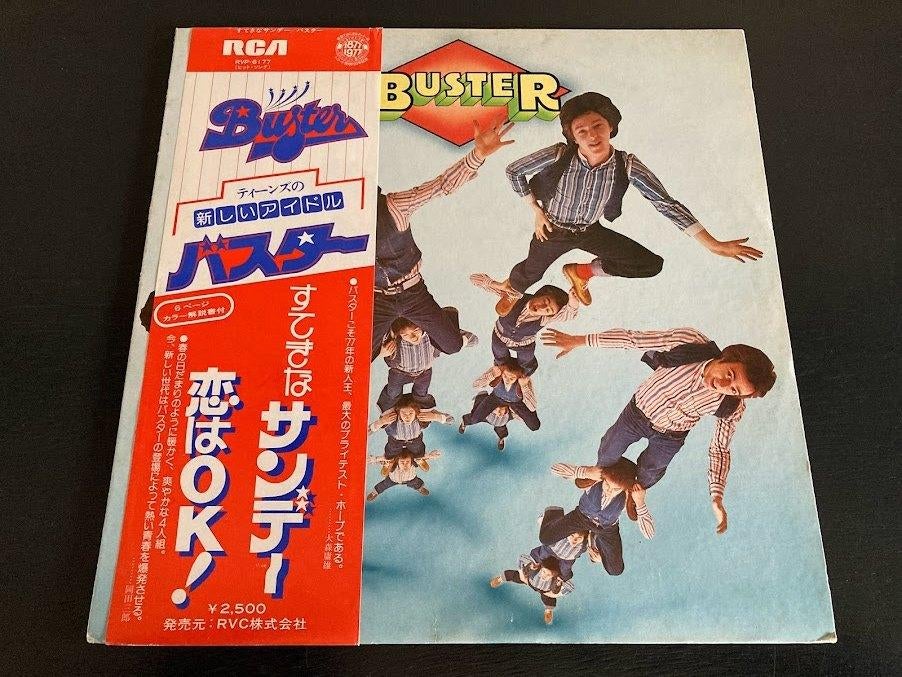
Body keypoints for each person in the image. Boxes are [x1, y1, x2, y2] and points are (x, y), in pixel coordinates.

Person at [491, 91, 763, 313]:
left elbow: (665, 203)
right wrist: (536, 210)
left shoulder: (627, 165)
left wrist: (712, 243)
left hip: (590, 230)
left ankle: (582, 272)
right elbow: (514, 171)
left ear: (611, 127)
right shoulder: (559, 154)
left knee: (649, 264)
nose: (592, 135)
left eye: (598, 126)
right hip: (552, 229)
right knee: (530, 273)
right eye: (581, 131)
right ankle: (512, 290)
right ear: (573, 137)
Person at [542, 326, 777, 533]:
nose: (722, 385)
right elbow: (633, 339)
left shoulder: (731, 407)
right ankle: (598, 476)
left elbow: (719, 449)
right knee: (609, 449)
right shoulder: (692, 342)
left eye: (734, 390)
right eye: (729, 374)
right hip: (637, 413)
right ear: (728, 356)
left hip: (671, 435)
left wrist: (717, 496)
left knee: (651, 472)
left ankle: (631, 493)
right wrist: (580, 340)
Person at [371, 117, 514, 360]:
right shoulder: (333, 222)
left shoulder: (393, 206)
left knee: (452, 345)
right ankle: (391, 333)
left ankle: (445, 317)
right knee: (360, 357)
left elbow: (441, 186)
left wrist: (478, 155)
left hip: (413, 293)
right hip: (378, 299)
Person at [540, 457, 656, 577]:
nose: (609, 491)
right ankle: (554, 511)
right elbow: (554, 469)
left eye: (616, 489)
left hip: (607, 529)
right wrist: (584, 472)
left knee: (615, 570)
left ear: (625, 489)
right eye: (607, 484)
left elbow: (649, 535)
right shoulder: (594, 481)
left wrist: (640, 502)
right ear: (603, 479)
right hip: (581, 517)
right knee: (545, 538)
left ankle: (596, 540)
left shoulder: (627, 496)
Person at [469, 273, 577, 375]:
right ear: (540, 294)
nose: (542, 307)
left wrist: (573, 299)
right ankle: (501, 370)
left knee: (526, 361)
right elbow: (474, 279)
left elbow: (569, 313)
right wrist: (497, 285)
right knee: (499, 356)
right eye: (545, 301)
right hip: (499, 337)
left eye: (548, 310)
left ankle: (524, 376)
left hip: (524, 344)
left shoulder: (545, 319)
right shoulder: (514, 297)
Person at [375, 316, 477, 412]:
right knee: (393, 393)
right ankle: (387, 411)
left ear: (423, 325)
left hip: (424, 373)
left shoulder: (434, 332)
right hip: (399, 373)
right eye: (405, 335)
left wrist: (458, 342)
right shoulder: (391, 337)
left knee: (421, 393)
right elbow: (369, 347)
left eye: (416, 330)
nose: (413, 337)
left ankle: (423, 411)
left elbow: (473, 339)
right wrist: (380, 353)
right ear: (399, 334)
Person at [368, 394, 454, 471]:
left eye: (411, 413)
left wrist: (435, 416)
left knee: (418, 452)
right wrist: (381, 422)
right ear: (398, 412)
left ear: (416, 412)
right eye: (403, 413)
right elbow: (366, 433)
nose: (407, 417)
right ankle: (390, 461)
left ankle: (418, 459)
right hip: (395, 441)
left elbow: (451, 420)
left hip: (415, 441)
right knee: (391, 453)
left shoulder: (424, 414)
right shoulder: (390, 417)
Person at [489, 552, 577, 626]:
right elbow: (522, 557)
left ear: (555, 575)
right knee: (512, 575)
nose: (544, 575)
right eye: (543, 571)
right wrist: (522, 575)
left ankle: (548, 611)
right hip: (529, 581)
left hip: (544, 591)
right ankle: (500, 578)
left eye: (548, 575)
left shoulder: (558, 579)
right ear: (541, 567)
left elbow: (570, 587)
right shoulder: (535, 566)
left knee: (549, 600)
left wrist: (554, 594)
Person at [460, 358, 540, 437]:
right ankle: (481, 398)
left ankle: (502, 431)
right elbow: (476, 385)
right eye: (505, 376)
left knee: (534, 426)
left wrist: (524, 387)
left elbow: (532, 407)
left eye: (511, 378)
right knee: (475, 419)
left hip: (515, 403)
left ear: (518, 378)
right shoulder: (497, 373)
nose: (507, 380)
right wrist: (492, 375)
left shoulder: (524, 382)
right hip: (496, 398)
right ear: (502, 373)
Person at [366, 450, 441, 500]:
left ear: (411, 461)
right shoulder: (392, 463)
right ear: (397, 462)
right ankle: (375, 492)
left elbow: (425, 460)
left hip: (411, 479)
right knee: (384, 484)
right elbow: (380, 461)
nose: (405, 464)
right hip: (393, 479)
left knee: (417, 483)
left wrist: (430, 456)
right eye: (402, 462)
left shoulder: (414, 461)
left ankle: (420, 488)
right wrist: (374, 460)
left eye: (407, 462)